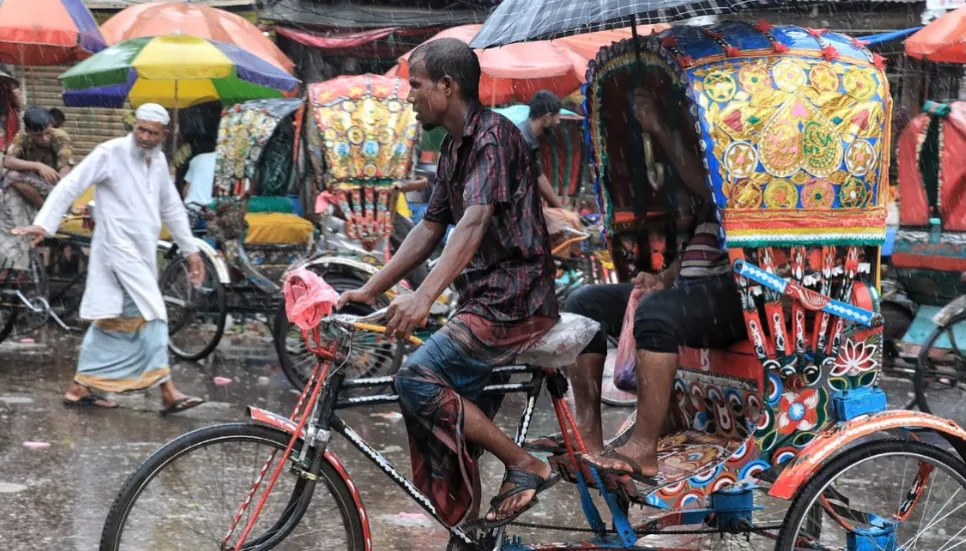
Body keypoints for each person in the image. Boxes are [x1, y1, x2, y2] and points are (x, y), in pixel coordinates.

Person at [338, 38, 560, 528]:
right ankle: (469, 532)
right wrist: (372, 288)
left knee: (415, 378)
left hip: (516, 299)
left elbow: (474, 223)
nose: (409, 95)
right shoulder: (454, 148)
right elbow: (430, 227)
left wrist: (423, 296)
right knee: (452, 436)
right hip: (484, 298)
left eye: (414, 85)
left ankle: (525, 464)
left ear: (447, 85)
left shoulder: (494, 138)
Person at [526, 87, 747, 481]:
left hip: (738, 299)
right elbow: (695, 247)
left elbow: (708, 186)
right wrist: (663, 277)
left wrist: (660, 127)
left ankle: (644, 449)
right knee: (585, 303)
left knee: (655, 315)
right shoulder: (701, 190)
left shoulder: (737, 169)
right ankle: (589, 437)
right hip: (691, 289)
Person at [13, 104, 208, 415]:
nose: (144, 137)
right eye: (140, 129)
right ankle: (168, 391)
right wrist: (45, 224)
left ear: (163, 135)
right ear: (134, 126)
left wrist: (191, 250)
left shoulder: (157, 161)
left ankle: (79, 387)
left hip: (141, 254)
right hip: (117, 251)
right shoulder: (110, 152)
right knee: (154, 313)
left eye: (152, 133)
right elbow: (70, 186)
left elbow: (171, 206)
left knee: (113, 321)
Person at [0, 107, 72, 273]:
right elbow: (7, 161)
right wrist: (38, 166)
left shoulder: (60, 137)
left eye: (47, 132)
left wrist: (61, 192)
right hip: (29, 191)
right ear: (29, 131)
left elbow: (65, 167)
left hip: (52, 189)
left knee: (12, 177)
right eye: (39, 135)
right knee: (10, 181)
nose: (45, 138)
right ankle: (15, 269)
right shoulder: (22, 138)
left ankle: (46, 214)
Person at [517, 90, 565, 209]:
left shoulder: (528, 136)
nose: (558, 122)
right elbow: (537, 180)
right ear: (547, 118)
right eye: (557, 118)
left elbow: (539, 176)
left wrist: (561, 210)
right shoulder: (523, 139)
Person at [182, 150, 216, 229]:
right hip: (212, 217)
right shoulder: (236, 165)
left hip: (191, 211)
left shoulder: (198, 158)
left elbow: (186, 190)